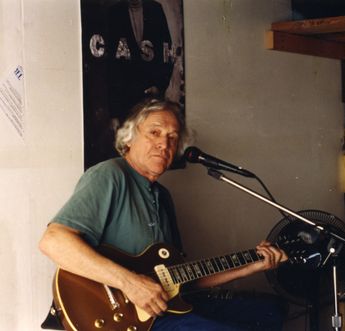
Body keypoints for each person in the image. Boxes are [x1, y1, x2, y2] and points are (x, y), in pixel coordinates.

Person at [39, 98, 287, 330]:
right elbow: (53, 241)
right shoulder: (110, 175)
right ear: (129, 138)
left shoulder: (163, 197)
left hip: (162, 309)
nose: (164, 144)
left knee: (270, 310)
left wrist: (249, 266)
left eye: (172, 137)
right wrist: (130, 283)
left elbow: (180, 279)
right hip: (120, 315)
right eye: (154, 133)